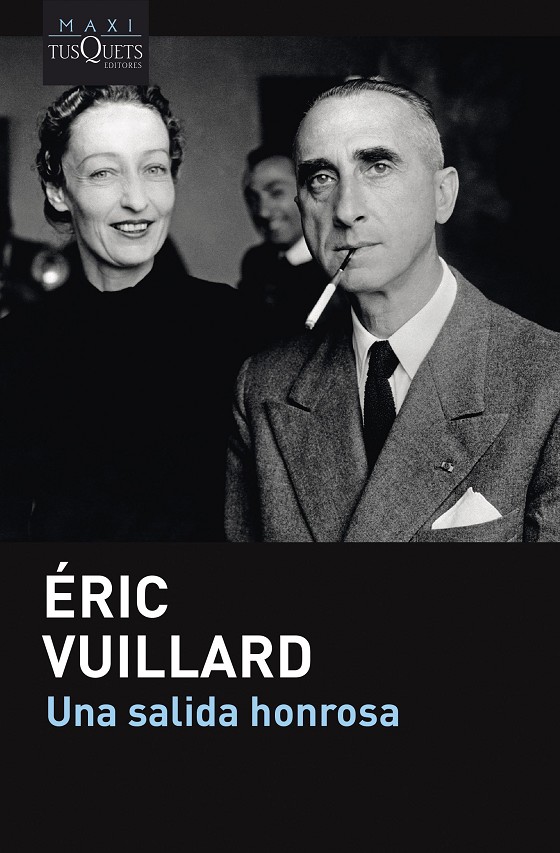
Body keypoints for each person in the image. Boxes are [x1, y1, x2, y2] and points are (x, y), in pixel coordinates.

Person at [225, 77, 560, 542]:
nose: (346, 210)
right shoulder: (262, 389)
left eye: (378, 166)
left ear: (443, 194)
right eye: (321, 178)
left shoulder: (548, 382)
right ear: (303, 207)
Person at [0, 84, 246, 541]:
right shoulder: (15, 347)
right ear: (57, 190)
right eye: (103, 173)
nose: (137, 199)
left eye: (154, 168)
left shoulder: (235, 327)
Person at [238, 144, 344, 348]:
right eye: (253, 199)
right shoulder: (255, 262)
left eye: (276, 193)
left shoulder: (336, 264)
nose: (262, 212)